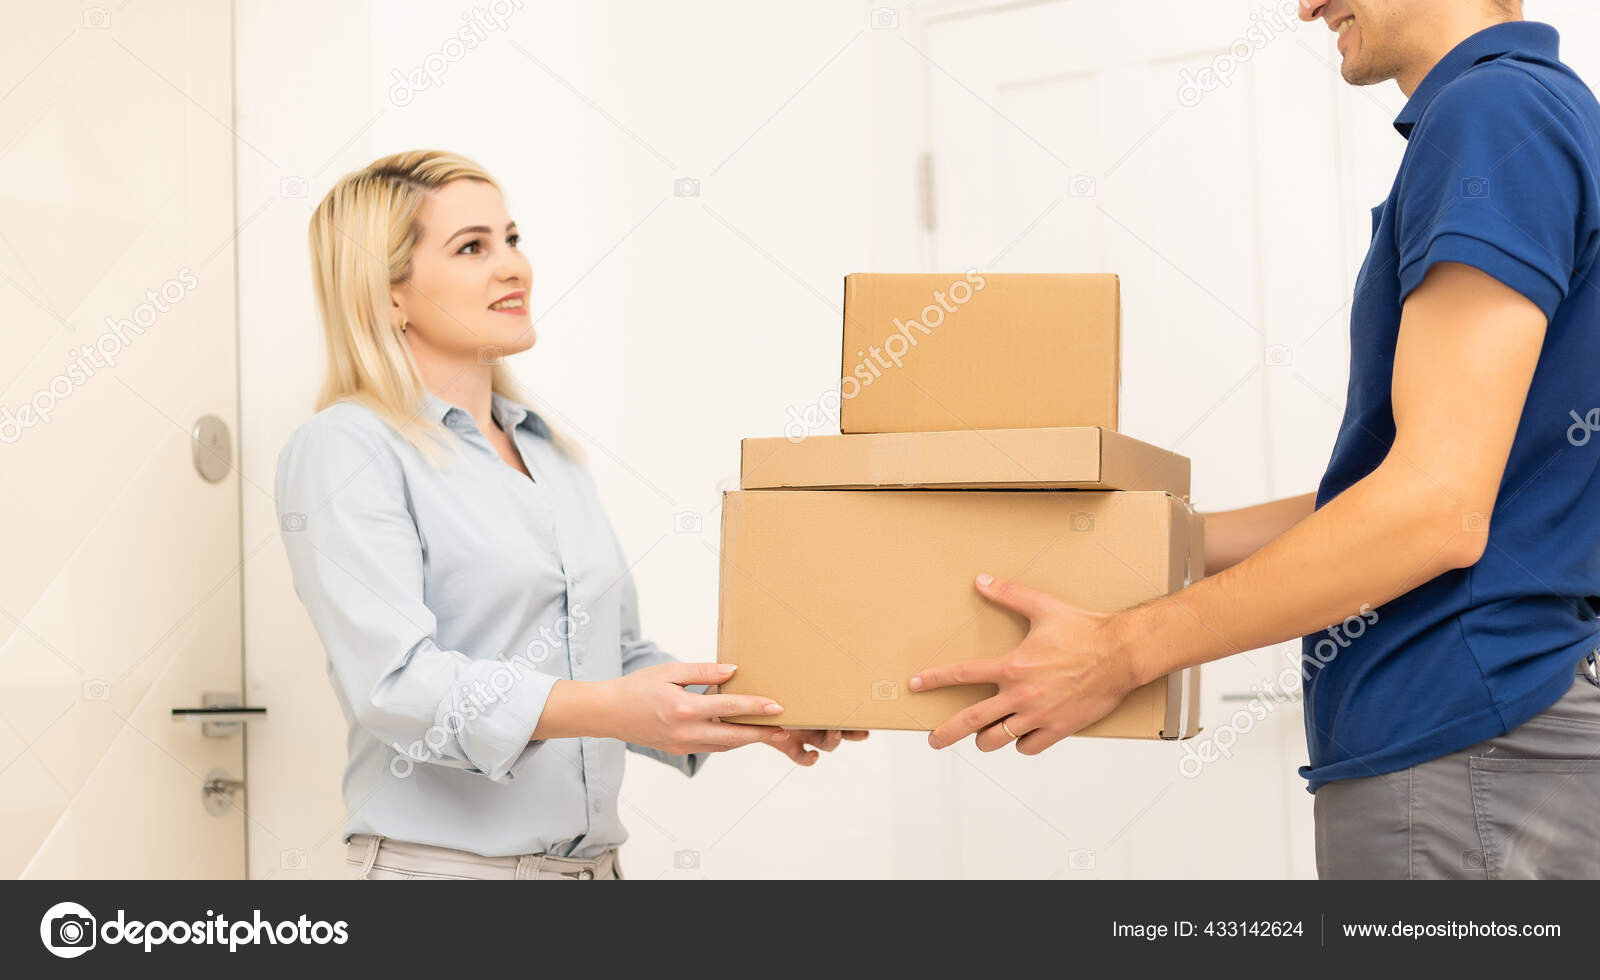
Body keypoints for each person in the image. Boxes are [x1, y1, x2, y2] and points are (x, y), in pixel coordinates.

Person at [915, 1, 1600, 879]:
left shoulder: (1492, 113)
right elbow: (1446, 486)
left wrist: (1119, 652)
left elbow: (1434, 510)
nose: (1307, 4)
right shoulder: (1537, 110)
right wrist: (1141, 545)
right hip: (1483, 744)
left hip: (1462, 744)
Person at [276, 149, 864, 881]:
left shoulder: (546, 450)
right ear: (388, 293)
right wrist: (607, 709)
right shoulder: (347, 448)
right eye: (472, 247)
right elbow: (396, 687)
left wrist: (754, 708)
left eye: (512, 239)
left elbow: (613, 661)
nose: (513, 267)